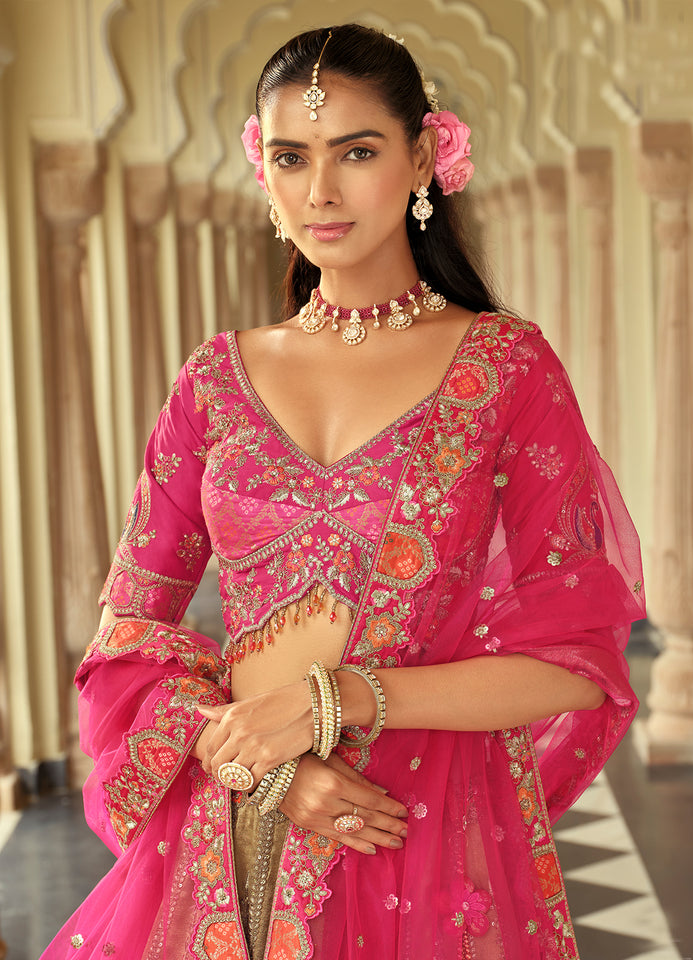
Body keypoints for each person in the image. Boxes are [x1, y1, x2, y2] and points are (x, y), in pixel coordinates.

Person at [41, 23, 645, 960]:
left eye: (355, 152)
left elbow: (576, 661)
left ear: (422, 159)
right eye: (291, 157)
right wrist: (270, 770)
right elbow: (127, 640)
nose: (320, 191)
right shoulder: (214, 380)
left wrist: (335, 703)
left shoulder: (505, 368)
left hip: (422, 833)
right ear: (265, 177)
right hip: (238, 840)